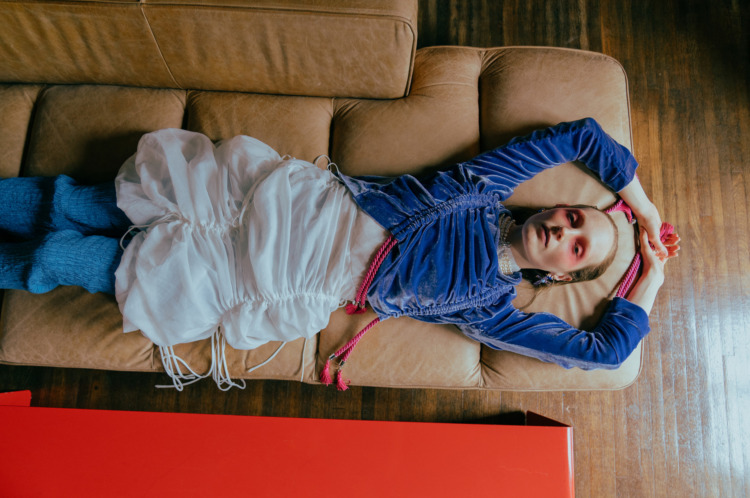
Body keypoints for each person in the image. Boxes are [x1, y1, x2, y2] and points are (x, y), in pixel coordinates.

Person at [0, 118, 679, 389]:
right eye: (570, 216)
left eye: (577, 245)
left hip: (270, 276)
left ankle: (39, 258)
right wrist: (642, 213)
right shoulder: (486, 184)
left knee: (62, 259)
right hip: (275, 208)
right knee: (78, 203)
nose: (563, 230)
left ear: (557, 272)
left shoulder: (490, 305)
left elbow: (607, 352)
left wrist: (646, 275)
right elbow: (587, 138)